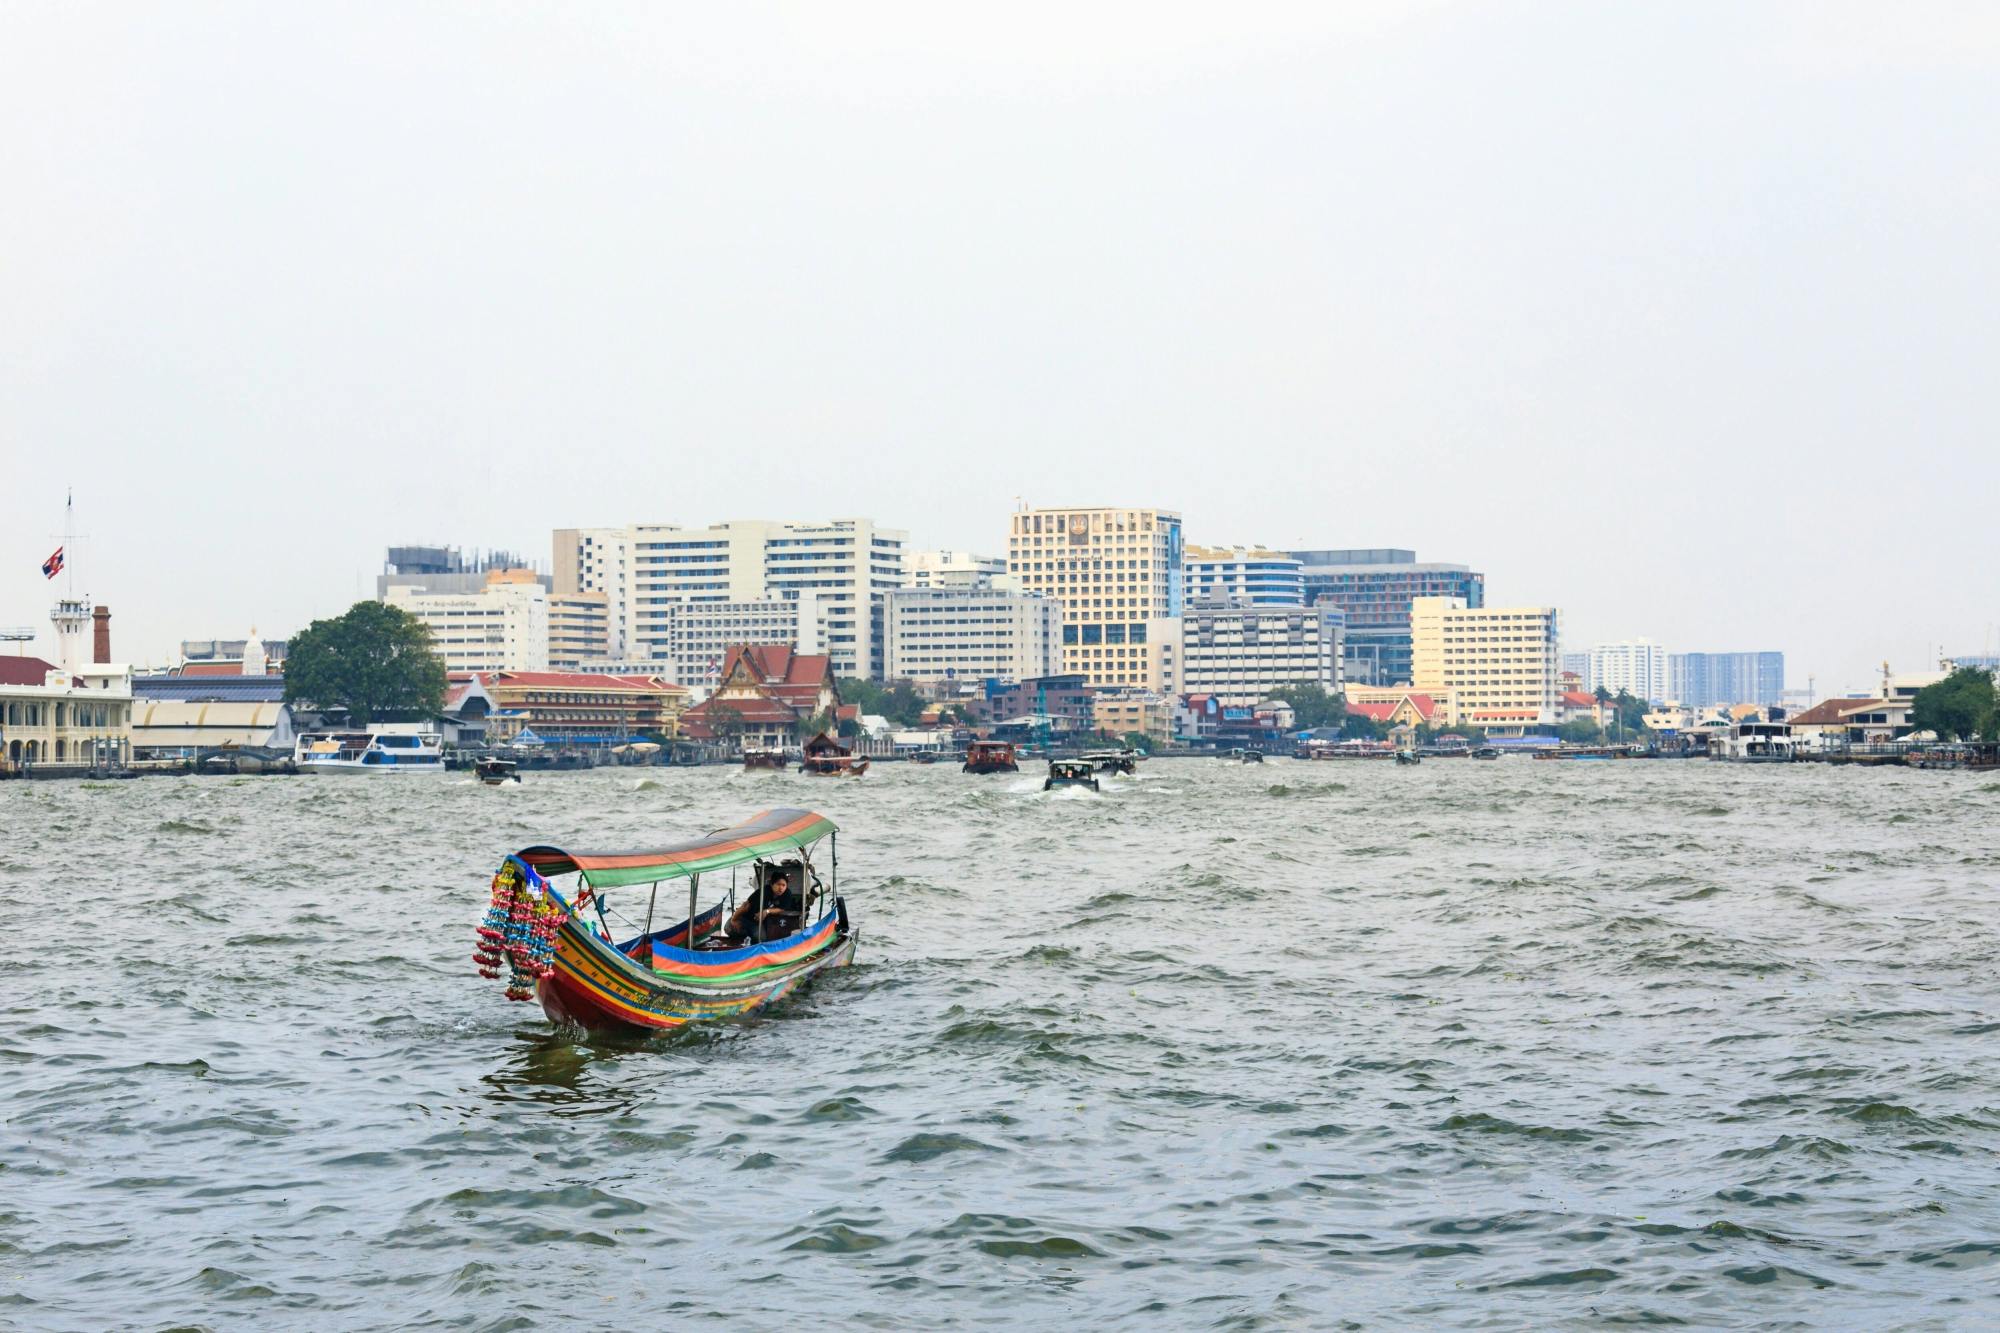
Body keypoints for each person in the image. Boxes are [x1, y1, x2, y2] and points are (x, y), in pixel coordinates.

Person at [725, 869, 803, 944]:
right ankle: (739, 940)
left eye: (783, 885)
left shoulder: (787, 894)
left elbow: (781, 908)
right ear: (772, 884)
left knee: (761, 938)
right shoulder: (763, 892)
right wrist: (734, 919)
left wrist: (766, 911)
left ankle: (749, 941)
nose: (781, 888)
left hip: (757, 924)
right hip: (744, 917)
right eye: (778, 884)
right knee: (728, 928)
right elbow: (746, 905)